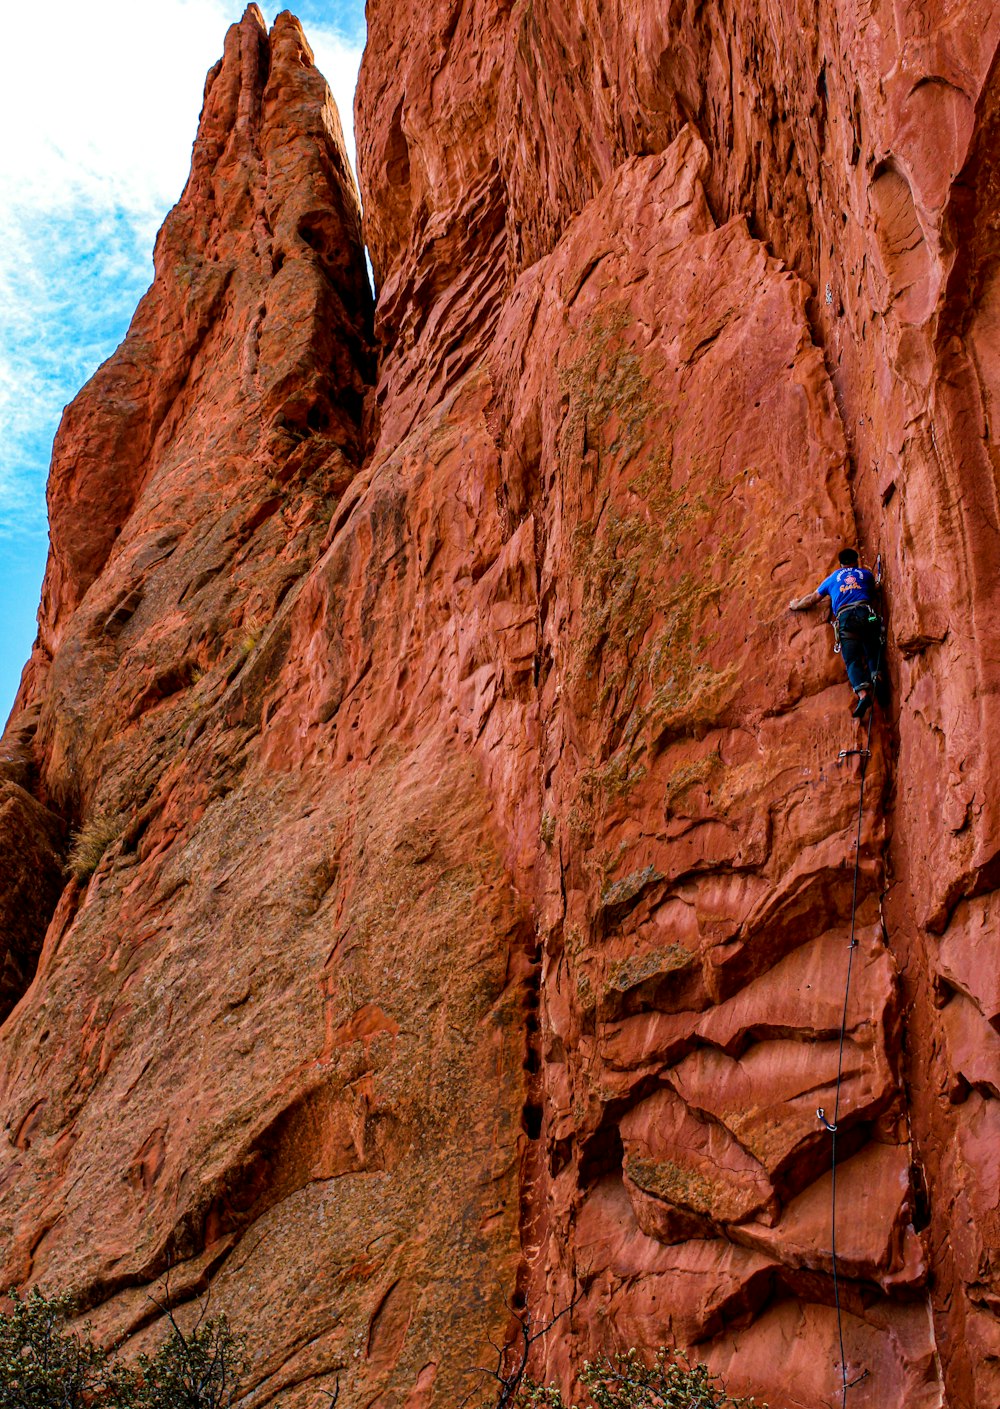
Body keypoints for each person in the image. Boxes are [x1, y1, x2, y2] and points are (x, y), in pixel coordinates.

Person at [789, 549, 883, 718]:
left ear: (841, 564)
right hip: (866, 616)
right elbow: (875, 588)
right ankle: (876, 675)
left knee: (852, 659)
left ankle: (863, 694)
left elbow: (813, 599)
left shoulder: (833, 578)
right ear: (856, 561)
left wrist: (796, 605)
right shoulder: (865, 574)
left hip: (846, 622)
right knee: (872, 640)